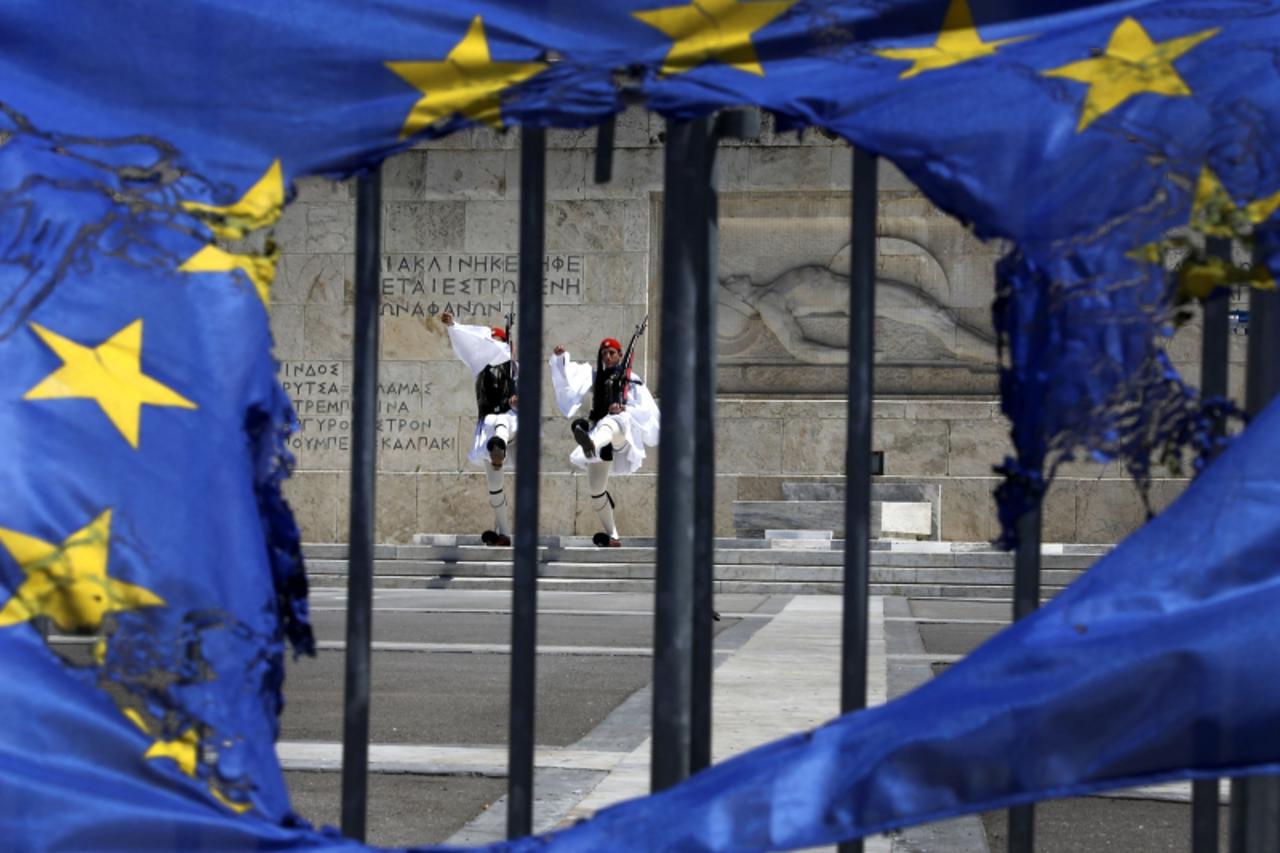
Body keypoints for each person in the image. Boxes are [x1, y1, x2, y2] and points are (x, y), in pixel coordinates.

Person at [549, 335, 660, 547]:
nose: (607, 357)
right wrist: (560, 359)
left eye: (611, 353)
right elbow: (569, 380)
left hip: (621, 434)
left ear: (620, 355)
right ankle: (613, 536)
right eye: (604, 354)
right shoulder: (594, 377)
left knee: (612, 421)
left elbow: (646, 409)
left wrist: (624, 407)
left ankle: (590, 445)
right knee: (596, 489)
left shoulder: (631, 378)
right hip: (600, 435)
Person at [442, 310, 517, 547]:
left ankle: (500, 445)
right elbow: (467, 341)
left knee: (501, 425)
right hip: (486, 425)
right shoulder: (479, 365)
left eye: (497, 342)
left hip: (511, 421)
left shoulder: (516, 367)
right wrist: (453, 326)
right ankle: (503, 533)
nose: (492, 346)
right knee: (494, 486)